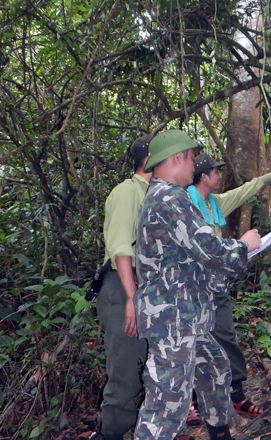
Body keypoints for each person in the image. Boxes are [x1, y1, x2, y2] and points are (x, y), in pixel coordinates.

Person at [133, 129, 261, 440]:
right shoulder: (170, 198)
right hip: (172, 319)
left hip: (188, 316)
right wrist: (244, 246)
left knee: (215, 368)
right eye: (192, 158)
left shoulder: (166, 196)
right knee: (167, 402)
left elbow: (190, 260)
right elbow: (208, 249)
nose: (195, 166)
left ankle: (220, 433)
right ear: (177, 158)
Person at [185, 153, 271, 424]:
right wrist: (240, 245)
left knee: (226, 337)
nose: (220, 175)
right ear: (204, 176)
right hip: (193, 290)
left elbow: (242, 193)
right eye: (216, 172)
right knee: (195, 343)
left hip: (216, 287)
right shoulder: (186, 206)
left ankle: (236, 394)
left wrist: (268, 177)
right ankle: (194, 401)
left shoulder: (213, 203)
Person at [96, 134, 153, 440]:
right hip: (123, 290)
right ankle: (113, 434)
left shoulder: (156, 194)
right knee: (125, 377)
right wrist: (132, 298)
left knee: (148, 369)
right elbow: (121, 248)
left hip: (144, 290)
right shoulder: (128, 192)